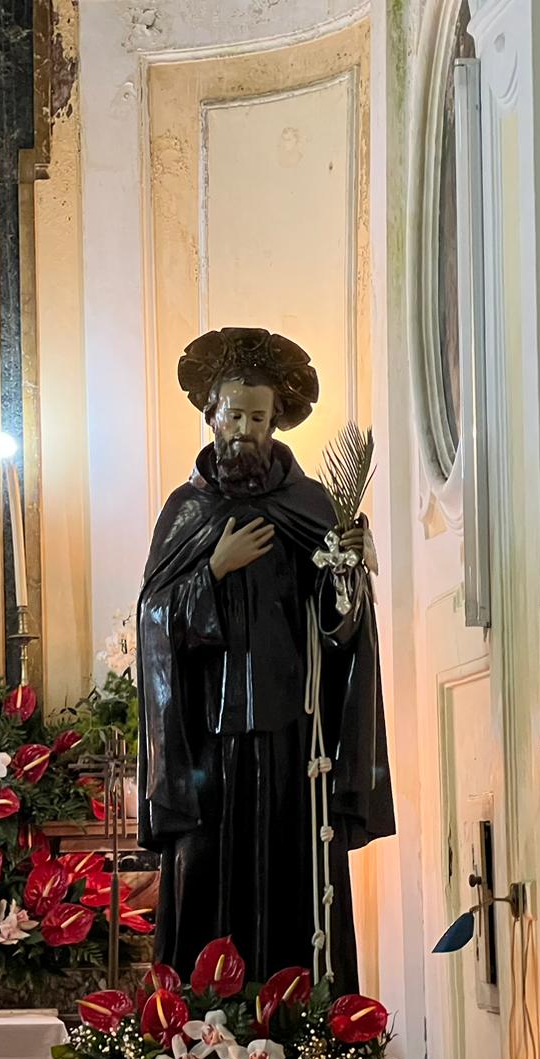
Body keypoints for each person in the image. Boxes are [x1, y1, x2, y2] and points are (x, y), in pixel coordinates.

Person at [135, 327, 394, 992]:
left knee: (295, 875)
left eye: (258, 417)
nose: (244, 431)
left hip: (292, 739)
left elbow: (340, 632)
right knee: (206, 873)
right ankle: (201, 1020)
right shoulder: (187, 510)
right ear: (211, 416)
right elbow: (153, 620)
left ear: (276, 420)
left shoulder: (311, 507)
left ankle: (304, 1014)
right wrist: (212, 572)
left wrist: (344, 574)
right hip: (208, 746)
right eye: (234, 416)